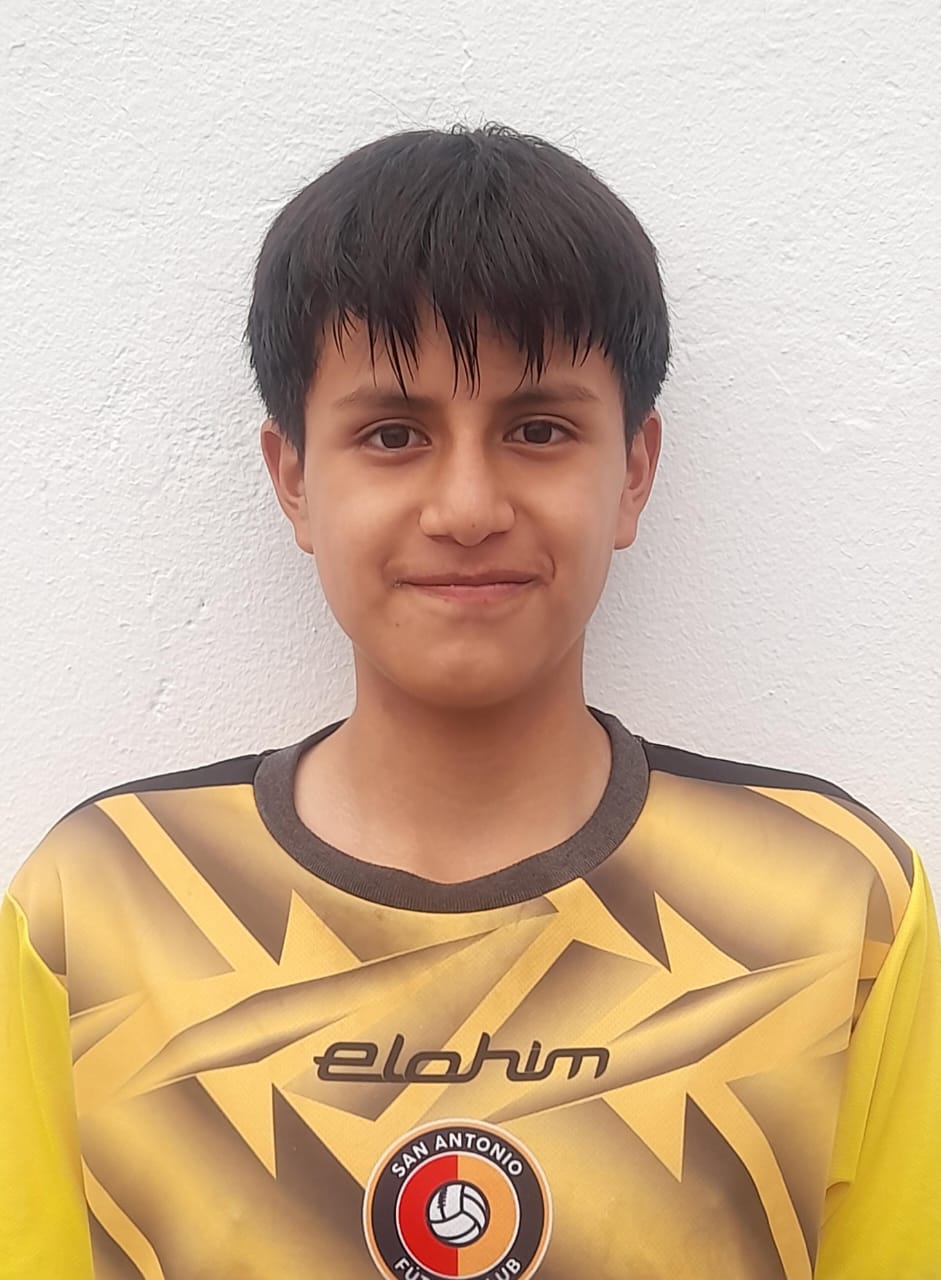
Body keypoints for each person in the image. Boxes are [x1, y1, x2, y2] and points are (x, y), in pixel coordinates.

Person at [1, 122, 938, 1280]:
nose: (465, 507)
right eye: (392, 434)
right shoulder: (100, 902)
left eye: (537, 430)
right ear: (293, 480)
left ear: (631, 471)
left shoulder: (830, 901)